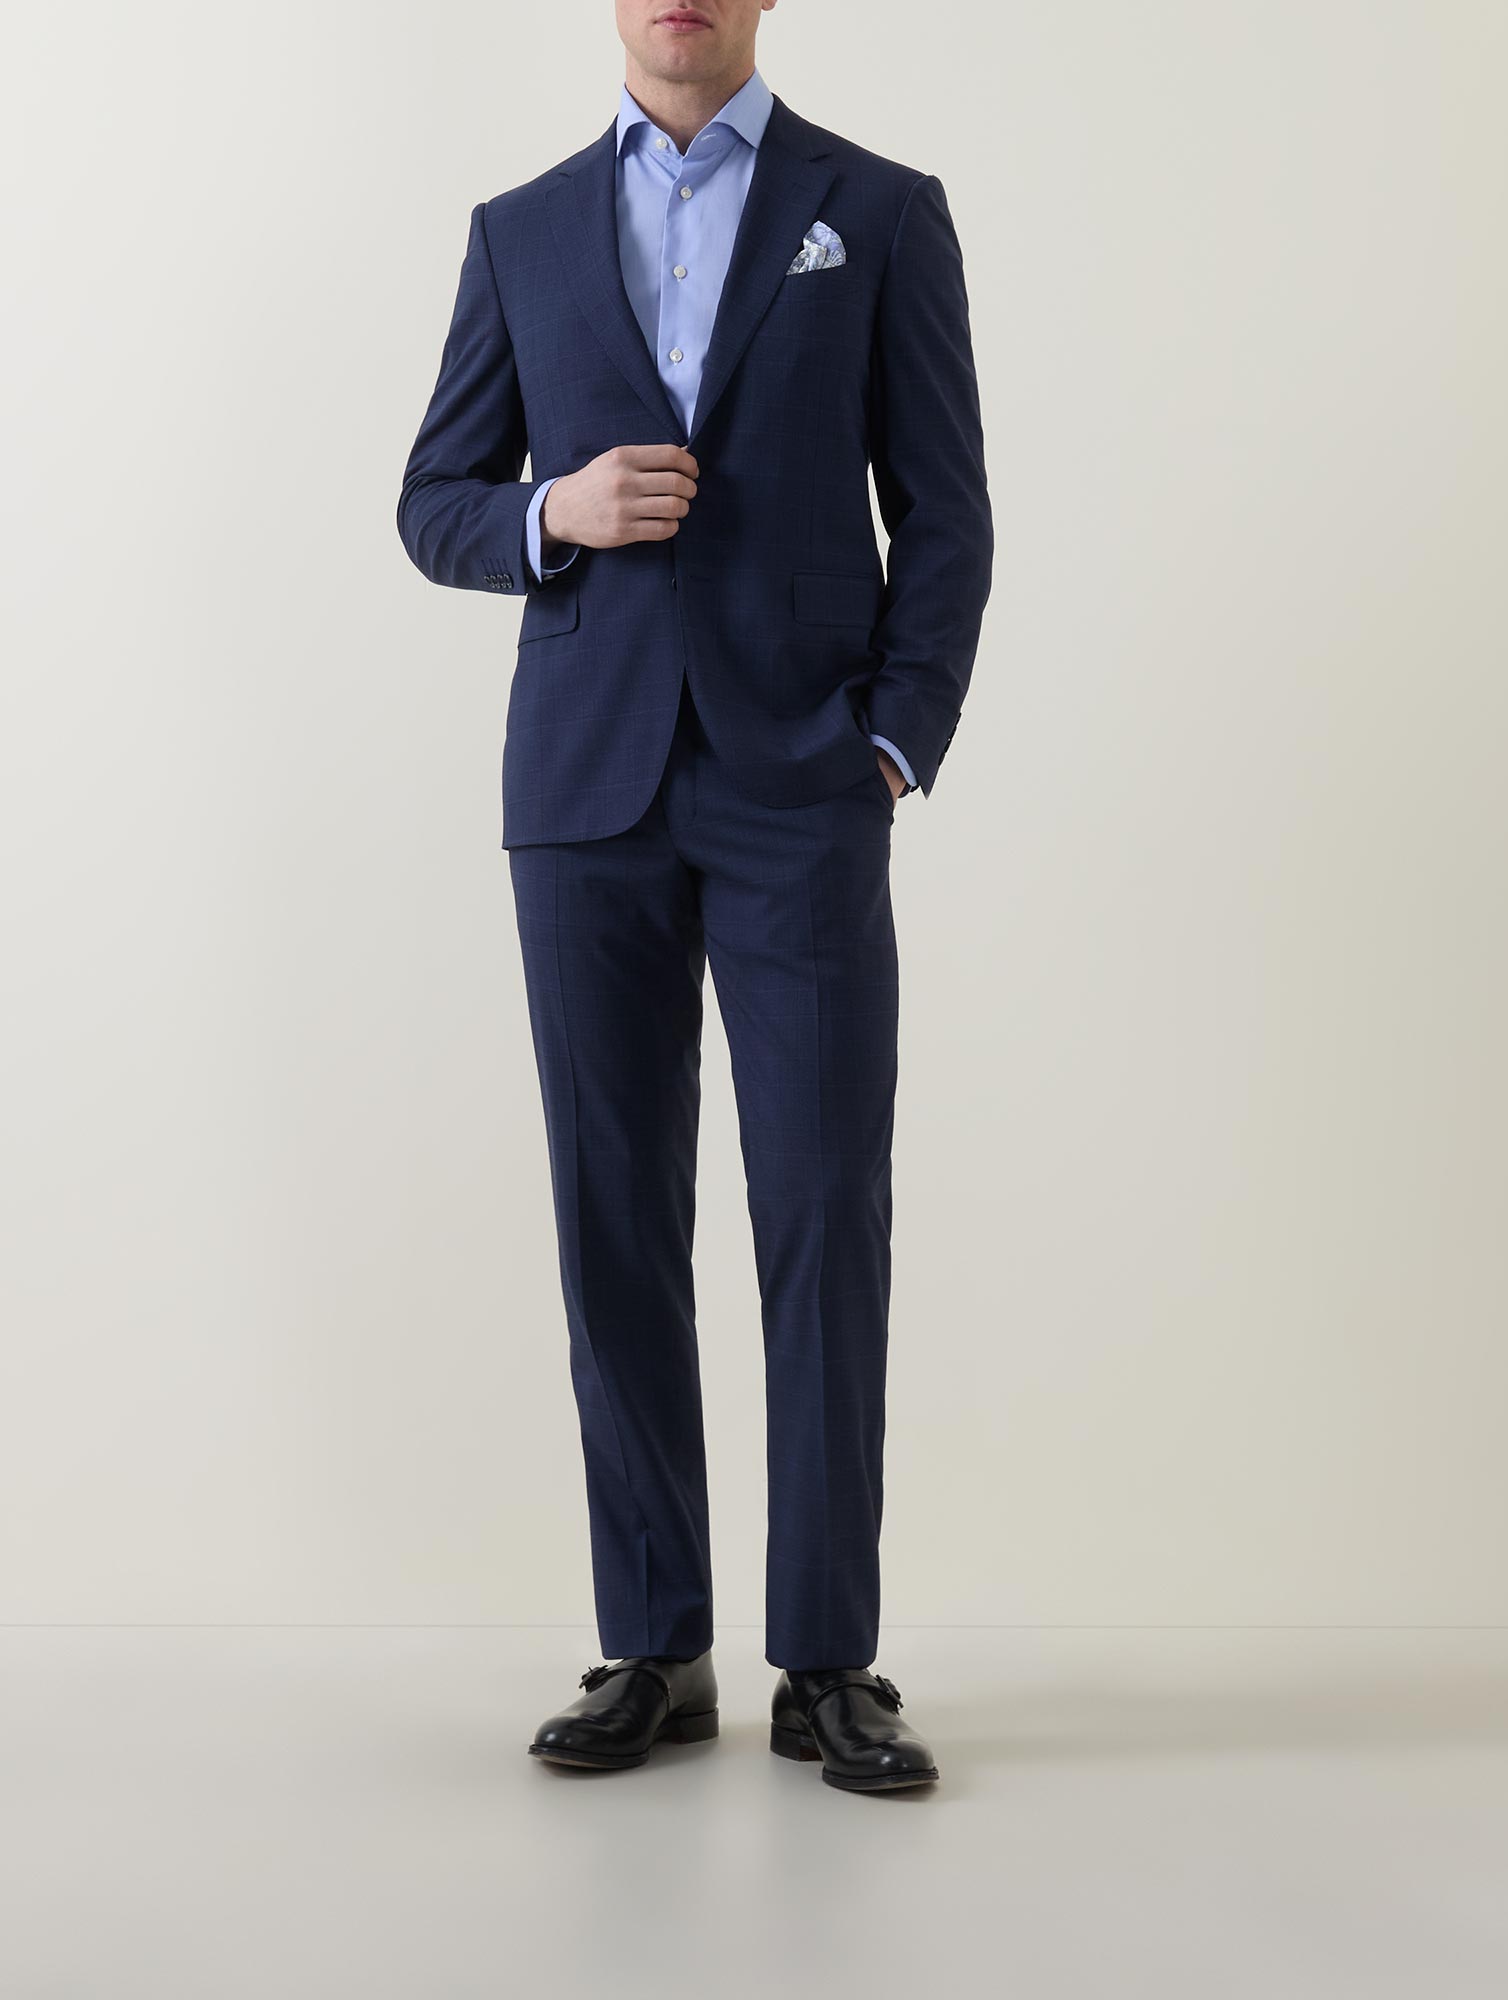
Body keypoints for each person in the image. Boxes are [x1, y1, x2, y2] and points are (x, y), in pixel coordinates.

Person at [397, 0, 992, 1794]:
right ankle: (655, 1645)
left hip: (800, 788)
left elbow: (947, 515)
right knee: (613, 1219)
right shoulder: (518, 230)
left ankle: (829, 1661)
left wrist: (891, 745)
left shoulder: (876, 212)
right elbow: (433, 501)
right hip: (586, 794)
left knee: (822, 1209)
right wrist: (551, 514)